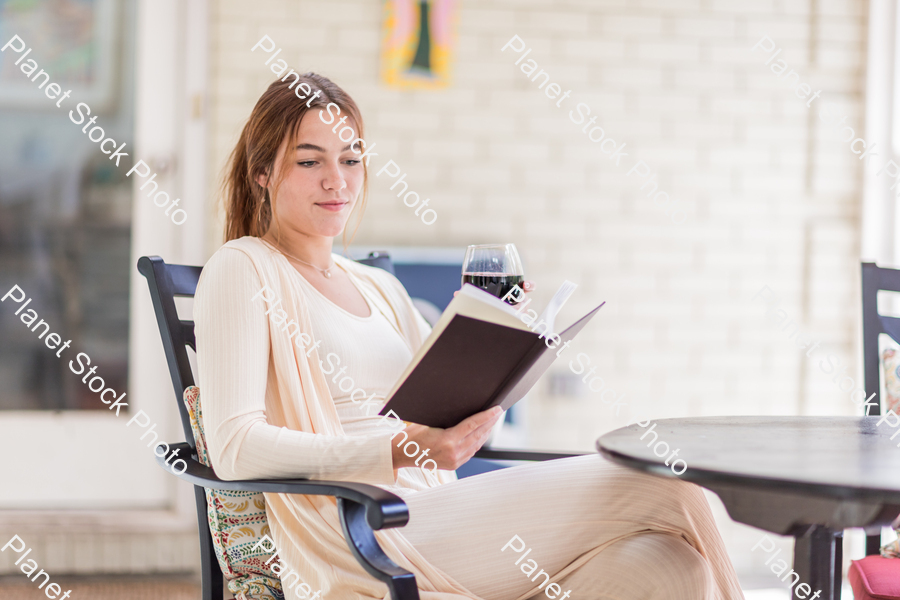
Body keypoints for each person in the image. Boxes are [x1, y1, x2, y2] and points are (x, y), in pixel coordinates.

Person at [193, 73, 745, 600]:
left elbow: (441, 414)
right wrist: (399, 450)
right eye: (309, 161)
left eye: (352, 159)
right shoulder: (244, 267)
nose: (337, 180)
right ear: (262, 172)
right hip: (365, 534)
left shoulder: (380, 286)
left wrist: (497, 349)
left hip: (440, 508)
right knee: (671, 485)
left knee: (671, 568)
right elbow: (235, 448)